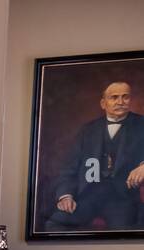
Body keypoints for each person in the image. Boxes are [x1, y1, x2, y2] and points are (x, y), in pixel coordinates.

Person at [45, 80, 144, 231]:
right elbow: (69, 168)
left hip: (124, 198)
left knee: (123, 235)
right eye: (114, 97)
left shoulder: (141, 124)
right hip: (88, 196)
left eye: (125, 97)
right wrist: (66, 195)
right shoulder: (88, 130)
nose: (120, 102)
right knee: (54, 224)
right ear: (103, 103)